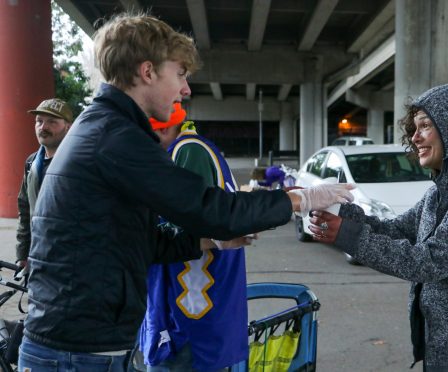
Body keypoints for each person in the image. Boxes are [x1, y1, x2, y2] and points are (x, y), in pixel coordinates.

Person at [19, 12, 353, 372]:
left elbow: (141, 240)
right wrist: (300, 199)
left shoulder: (103, 127)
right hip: (76, 353)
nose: (186, 89)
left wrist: (208, 241)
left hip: (79, 343)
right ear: (147, 72)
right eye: (179, 74)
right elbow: (210, 209)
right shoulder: (116, 137)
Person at [309, 83, 448, 371]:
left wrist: (347, 234)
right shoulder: (438, 194)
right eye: (414, 128)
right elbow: (394, 231)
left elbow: (429, 262)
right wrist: (339, 212)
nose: (415, 137)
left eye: (425, 126)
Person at [139, 104, 251, 371]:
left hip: (189, 303)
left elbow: (186, 223)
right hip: (192, 298)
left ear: (163, 128)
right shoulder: (189, 148)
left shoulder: (188, 150)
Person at [15, 98, 73, 269]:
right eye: (39, 121)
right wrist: (22, 254)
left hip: (69, 258)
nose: (43, 127)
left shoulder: (77, 163)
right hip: (39, 254)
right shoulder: (31, 164)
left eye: (52, 122)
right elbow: (25, 210)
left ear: (68, 127)